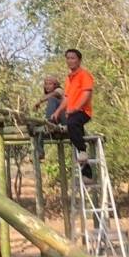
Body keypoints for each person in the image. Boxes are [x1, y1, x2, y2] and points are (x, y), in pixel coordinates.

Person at [49, 48, 94, 180]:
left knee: (72, 123)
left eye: (73, 58)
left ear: (79, 60)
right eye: (68, 58)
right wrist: (57, 112)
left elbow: (87, 94)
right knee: (74, 131)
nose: (70, 60)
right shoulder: (69, 79)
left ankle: (83, 152)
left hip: (82, 112)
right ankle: (87, 171)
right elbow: (66, 98)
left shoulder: (84, 75)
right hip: (71, 113)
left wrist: (76, 108)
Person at [33, 76, 63, 160]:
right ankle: (40, 152)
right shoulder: (49, 98)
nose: (47, 86)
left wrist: (40, 101)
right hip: (55, 122)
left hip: (65, 119)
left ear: (55, 85)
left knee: (52, 99)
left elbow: (54, 94)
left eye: (50, 84)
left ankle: (48, 123)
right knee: (38, 129)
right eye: (46, 84)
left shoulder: (59, 90)